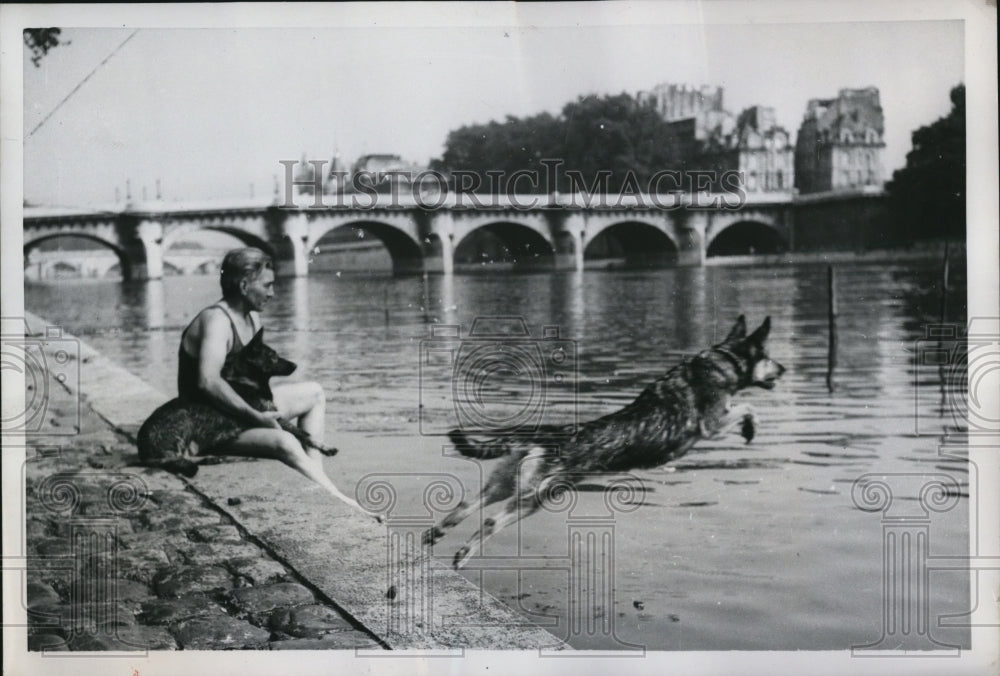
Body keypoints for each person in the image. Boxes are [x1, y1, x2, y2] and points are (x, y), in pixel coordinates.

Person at [178, 247, 367, 514]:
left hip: (234, 414)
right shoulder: (217, 321)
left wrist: (263, 409)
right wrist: (257, 417)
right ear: (244, 285)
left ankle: (320, 481)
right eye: (267, 285)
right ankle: (341, 502)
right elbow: (208, 381)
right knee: (286, 442)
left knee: (313, 393)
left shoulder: (251, 317)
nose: (272, 293)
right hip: (205, 427)